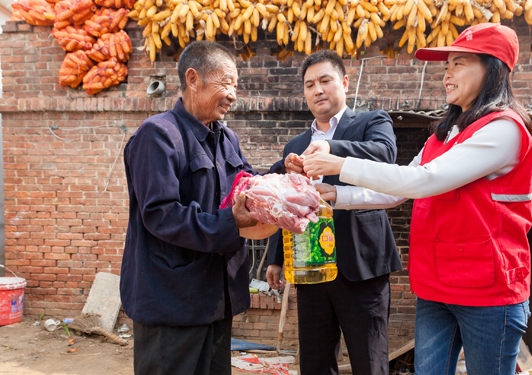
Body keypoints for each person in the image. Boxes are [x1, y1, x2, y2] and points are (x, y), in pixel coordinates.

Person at [303, 23, 532, 375]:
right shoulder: (443, 134)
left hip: (487, 290)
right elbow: (398, 188)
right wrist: (337, 194)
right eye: (446, 67)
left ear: (493, 68)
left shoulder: (504, 130)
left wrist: (339, 164)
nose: (447, 75)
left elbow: (424, 181)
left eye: (459, 64)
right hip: (437, 285)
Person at [120, 41, 259, 375]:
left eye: (236, 87)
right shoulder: (158, 135)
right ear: (194, 79)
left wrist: (285, 176)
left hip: (215, 299)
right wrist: (229, 223)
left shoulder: (226, 138)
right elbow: (160, 213)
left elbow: (248, 184)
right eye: (226, 83)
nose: (233, 95)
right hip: (172, 302)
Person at [264, 50, 402, 375]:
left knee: (369, 362)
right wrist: (275, 257)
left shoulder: (372, 122)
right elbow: (287, 201)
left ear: (344, 83)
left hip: (361, 267)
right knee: (314, 363)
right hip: (311, 267)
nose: (318, 90)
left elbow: (385, 155)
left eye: (325, 80)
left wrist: (331, 148)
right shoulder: (295, 145)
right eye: (310, 84)